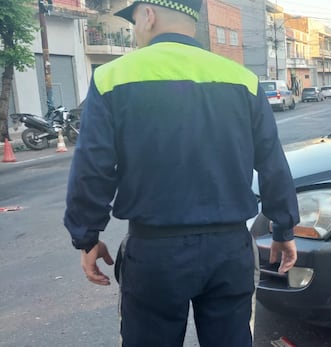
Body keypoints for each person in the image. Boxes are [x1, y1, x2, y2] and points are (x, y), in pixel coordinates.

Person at [63, 0, 300, 345]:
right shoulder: (243, 80)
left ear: (149, 14)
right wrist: (283, 227)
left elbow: (93, 167)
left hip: (154, 253)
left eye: (134, 21)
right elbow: (272, 161)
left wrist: (87, 236)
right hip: (229, 249)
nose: (135, 32)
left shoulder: (113, 76)